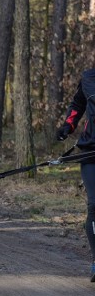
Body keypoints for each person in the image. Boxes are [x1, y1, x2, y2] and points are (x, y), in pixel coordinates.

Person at [56, 68, 95, 282]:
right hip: (91, 151)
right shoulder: (88, 77)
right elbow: (78, 104)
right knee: (94, 205)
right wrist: (68, 126)